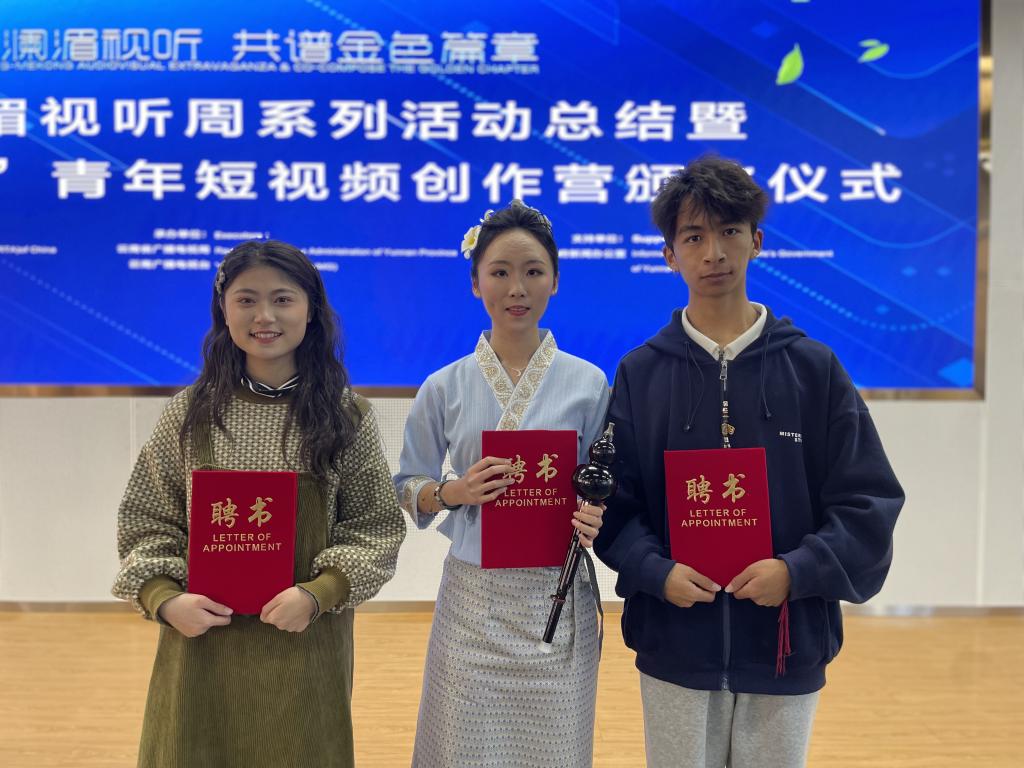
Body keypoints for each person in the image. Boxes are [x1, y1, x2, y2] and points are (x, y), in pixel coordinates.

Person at [594, 156, 904, 768]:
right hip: (676, 643)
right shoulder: (641, 373)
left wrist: (798, 570)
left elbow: (869, 501)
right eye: (693, 237)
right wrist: (656, 572)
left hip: (786, 643)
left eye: (729, 231)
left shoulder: (813, 369)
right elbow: (614, 505)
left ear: (756, 241)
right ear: (669, 255)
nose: (713, 253)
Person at [112, 239, 406, 768]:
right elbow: (147, 521)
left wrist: (317, 594)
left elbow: (375, 528)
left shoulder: (345, 417)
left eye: (282, 299)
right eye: (246, 300)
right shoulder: (189, 414)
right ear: (223, 311)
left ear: (311, 310)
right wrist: (166, 600)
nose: (264, 316)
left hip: (304, 643)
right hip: (200, 648)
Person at [393, 200, 610, 767]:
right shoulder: (443, 386)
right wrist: (453, 492)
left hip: (557, 597)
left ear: (555, 281)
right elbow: (407, 483)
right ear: (475, 283)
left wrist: (596, 513)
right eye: (500, 272)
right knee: (462, 750)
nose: (517, 288)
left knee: (555, 752)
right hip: (473, 604)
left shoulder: (589, 383)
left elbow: (605, 481)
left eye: (533, 271)